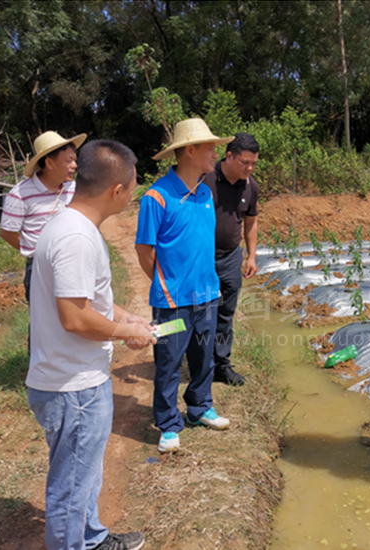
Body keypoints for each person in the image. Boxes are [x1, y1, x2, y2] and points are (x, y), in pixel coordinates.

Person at [26, 139, 155, 550]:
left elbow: (87, 299)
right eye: (132, 187)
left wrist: (126, 318)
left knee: (84, 473)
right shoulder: (77, 239)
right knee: (71, 485)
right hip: (72, 386)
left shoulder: (71, 227)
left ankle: (92, 538)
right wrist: (127, 334)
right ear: (117, 190)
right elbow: (76, 318)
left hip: (77, 379)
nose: (132, 195)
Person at [135, 118, 233, 454]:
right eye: (210, 148)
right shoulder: (157, 197)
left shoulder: (205, 192)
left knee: (203, 357)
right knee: (168, 361)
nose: (215, 154)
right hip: (172, 302)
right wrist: (167, 284)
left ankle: (199, 407)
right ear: (189, 151)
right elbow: (144, 251)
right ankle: (167, 422)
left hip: (207, 297)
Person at [201, 132, 261, 387]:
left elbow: (251, 221)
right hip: (202, 259)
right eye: (245, 162)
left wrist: (251, 256)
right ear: (229, 156)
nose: (249, 168)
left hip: (230, 259)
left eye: (253, 164)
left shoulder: (250, 186)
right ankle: (200, 365)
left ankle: (222, 366)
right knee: (201, 314)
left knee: (226, 314)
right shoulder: (205, 178)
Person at [0, 131, 86, 302]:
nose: (75, 165)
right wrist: (37, 253)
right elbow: (7, 233)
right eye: (69, 160)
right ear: (50, 163)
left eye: (75, 160)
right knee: (43, 324)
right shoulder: (20, 194)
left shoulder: (75, 189)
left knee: (77, 321)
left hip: (75, 264)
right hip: (40, 269)